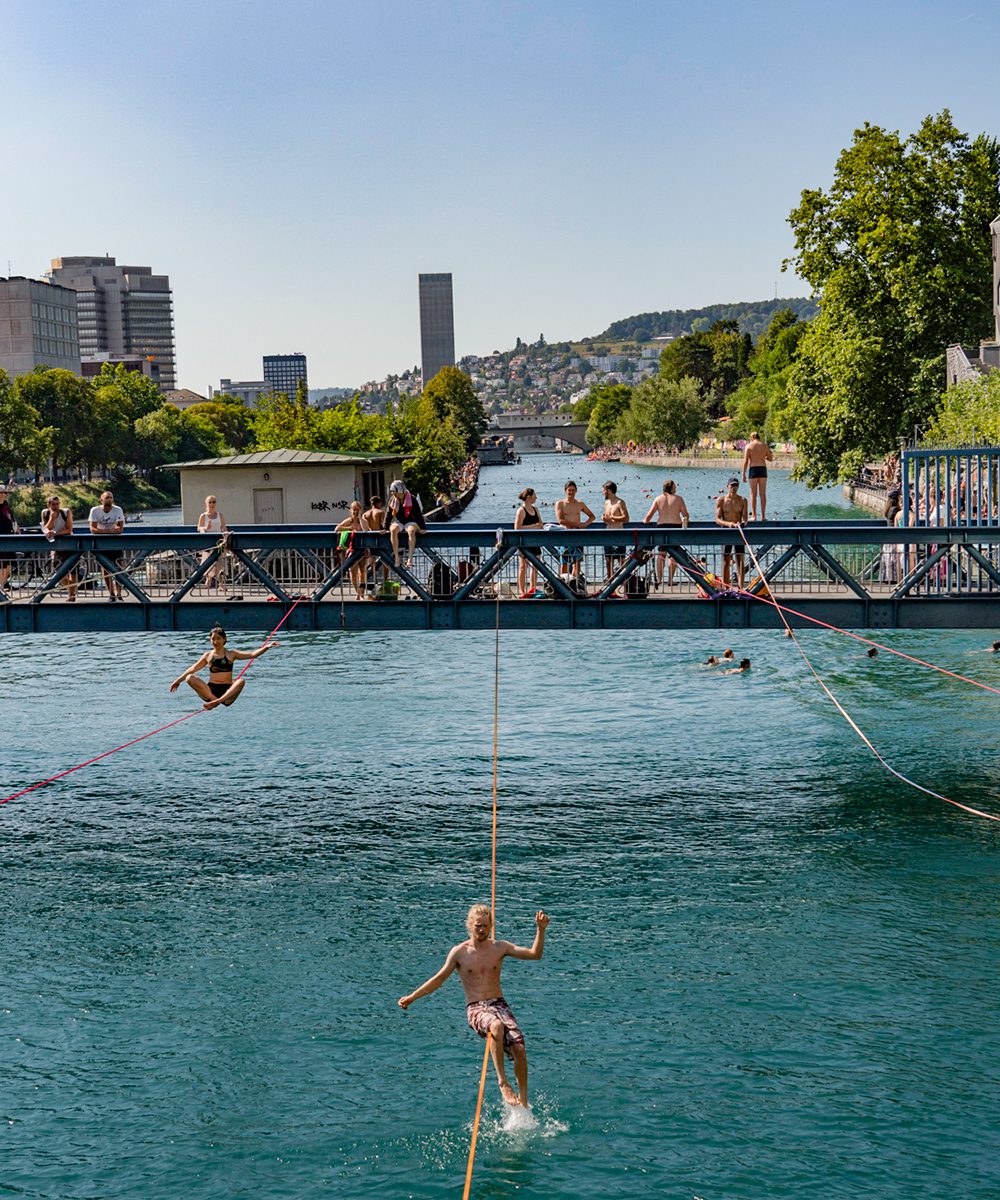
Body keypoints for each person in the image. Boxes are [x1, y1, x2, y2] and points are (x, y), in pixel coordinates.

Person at [398, 905, 550, 1108]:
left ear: (491, 927)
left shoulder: (499, 947)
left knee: (519, 1049)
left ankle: (523, 1102)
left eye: (486, 926)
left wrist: (541, 929)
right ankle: (503, 1083)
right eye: (478, 926)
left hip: (498, 1004)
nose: (482, 930)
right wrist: (412, 997)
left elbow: (534, 954)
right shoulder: (459, 953)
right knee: (495, 1026)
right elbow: (439, 979)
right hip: (476, 1008)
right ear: (470, 925)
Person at [169, 625, 278, 710]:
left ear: (224, 639)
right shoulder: (208, 656)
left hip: (227, 693)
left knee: (241, 681)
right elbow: (192, 669)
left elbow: (253, 654)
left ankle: (217, 702)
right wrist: (178, 681)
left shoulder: (232, 654)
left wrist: (267, 647)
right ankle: (214, 700)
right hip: (210, 692)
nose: (215, 642)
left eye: (218, 638)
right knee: (190, 677)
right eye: (213, 639)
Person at [643, 481, 689, 587]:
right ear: (672, 488)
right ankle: (670, 580)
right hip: (675, 527)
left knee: (661, 554)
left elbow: (648, 517)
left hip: (662, 527)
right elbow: (685, 514)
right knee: (674, 555)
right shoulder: (678, 499)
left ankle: (659, 580)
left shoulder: (658, 499)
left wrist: (645, 521)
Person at [554, 480, 595, 583]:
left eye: (573, 490)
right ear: (565, 491)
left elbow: (592, 516)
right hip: (565, 535)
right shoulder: (560, 503)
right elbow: (561, 520)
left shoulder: (580, 503)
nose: (571, 492)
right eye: (569, 490)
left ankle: (574, 584)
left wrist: (585, 524)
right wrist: (578, 525)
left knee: (576, 562)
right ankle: (563, 583)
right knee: (564, 562)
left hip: (577, 535)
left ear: (576, 491)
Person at [88, 490, 126, 601]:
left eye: (111, 497)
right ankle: (111, 594)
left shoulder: (117, 510)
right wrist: (109, 531)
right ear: (101, 500)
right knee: (105, 569)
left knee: (119, 567)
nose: (109, 499)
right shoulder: (95, 510)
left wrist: (107, 531)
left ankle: (119, 593)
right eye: (107, 497)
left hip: (115, 543)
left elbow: (119, 529)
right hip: (101, 544)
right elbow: (93, 529)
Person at [41, 495, 77, 602]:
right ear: (49, 505)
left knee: (73, 571)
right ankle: (71, 589)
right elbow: (46, 528)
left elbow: (69, 529)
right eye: (53, 504)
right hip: (56, 546)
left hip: (70, 544)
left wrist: (56, 534)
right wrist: (52, 518)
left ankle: (72, 595)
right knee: (58, 571)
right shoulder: (45, 513)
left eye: (57, 504)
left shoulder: (66, 512)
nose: (56, 506)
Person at [715, 477, 748, 589]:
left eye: (736, 485)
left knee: (740, 559)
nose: (734, 488)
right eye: (732, 485)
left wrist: (741, 523)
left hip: (738, 531)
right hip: (726, 531)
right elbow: (717, 519)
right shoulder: (721, 500)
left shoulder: (743, 500)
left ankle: (740, 587)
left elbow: (745, 519)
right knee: (726, 560)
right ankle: (726, 588)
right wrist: (729, 524)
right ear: (727, 486)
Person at [385, 480, 426, 569]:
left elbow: (418, 514)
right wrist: (384, 527)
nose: (393, 494)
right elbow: (388, 514)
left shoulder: (412, 498)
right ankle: (396, 557)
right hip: (399, 521)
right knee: (393, 530)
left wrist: (422, 527)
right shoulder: (393, 500)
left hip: (411, 520)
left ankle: (410, 558)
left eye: (394, 492)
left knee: (411, 531)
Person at [335, 500, 370, 599]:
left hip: (363, 549)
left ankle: (361, 594)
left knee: (362, 571)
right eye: (354, 510)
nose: (355, 512)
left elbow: (365, 530)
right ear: (351, 510)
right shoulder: (349, 521)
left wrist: (360, 519)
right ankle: (358, 592)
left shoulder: (364, 521)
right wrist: (349, 528)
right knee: (352, 571)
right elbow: (337, 528)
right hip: (352, 550)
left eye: (358, 510)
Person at [514, 487, 543, 598]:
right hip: (524, 543)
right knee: (523, 567)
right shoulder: (521, 510)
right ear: (528, 497)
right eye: (534, 495)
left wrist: (535, 527)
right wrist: (533, 526)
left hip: (535, 542)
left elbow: (541, 524)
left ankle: (532, 588)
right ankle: (522, 591)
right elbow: (517, 528)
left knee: (535, 567)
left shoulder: (535, 509)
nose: (536, 497)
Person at [197, 495, 229, 590]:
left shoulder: (220, 515)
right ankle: (208, 580)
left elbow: (223, 527)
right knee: (207, 562)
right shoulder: (203, 515)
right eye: (210, 502)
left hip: (219, 541)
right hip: (208, 542)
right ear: (206, 503)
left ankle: (221, 584)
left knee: (221, 562)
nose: (212, 504)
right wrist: (205, 528)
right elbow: (198, 527)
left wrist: (225, 532)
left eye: (214, 502)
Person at [601, 481, 630, 584]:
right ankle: (610, 584)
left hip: (619, 534)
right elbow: (606, 517)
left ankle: (624, 583)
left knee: (621, 561)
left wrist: (612, 517)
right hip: (608, 534)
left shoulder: (620, 502)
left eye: (604, 491)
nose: (602, 493)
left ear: (609, 491)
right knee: (608, 561)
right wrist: (604, 518)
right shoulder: (606, 502)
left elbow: (626, 518)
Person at [742, 432, 774, 521]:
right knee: (762, 494)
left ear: (752, 437)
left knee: (753, 494)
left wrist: (743, 474)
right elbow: (770, 458)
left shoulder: (748, 446)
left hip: (753, 469)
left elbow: (745, 461)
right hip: (762, 468)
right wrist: (763, 457)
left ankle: (754, 516)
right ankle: (763, 516)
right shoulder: (764, 445)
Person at [362, 495, 386, 590]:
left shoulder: (365, 514)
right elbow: (384, 525)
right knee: (385, 561)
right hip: (380, 540)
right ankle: (384, 581)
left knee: (371, 561)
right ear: (379, 503)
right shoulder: (380, 512)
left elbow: (365, 528)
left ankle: (374, 580)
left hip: (370, 540)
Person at [0, 484, 19, 597]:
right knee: (1, 563)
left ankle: (2, 584)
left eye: (6, 493)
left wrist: (17, 528)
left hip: (10, 536)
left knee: (9, 564)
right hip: (2, 539)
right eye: (3, 493)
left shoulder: (6, 505)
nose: (5, 495)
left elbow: (11, 518)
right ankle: (1, 587)